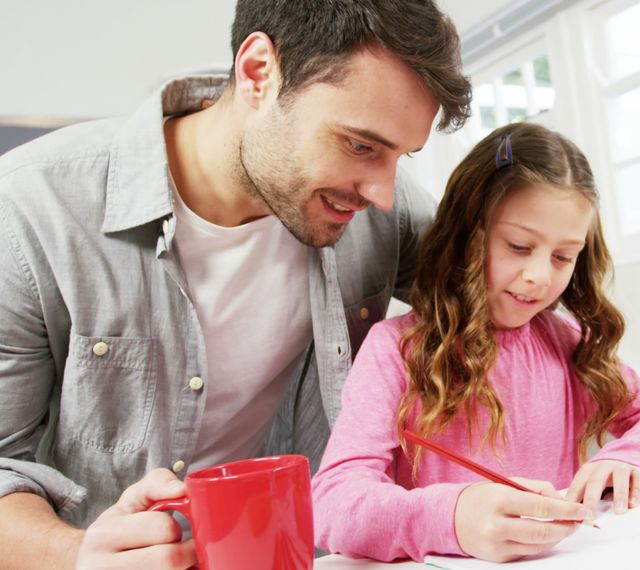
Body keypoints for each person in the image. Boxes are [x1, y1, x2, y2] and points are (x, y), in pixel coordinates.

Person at [0, 1, 470, 568]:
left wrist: (610, 453)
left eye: (401, 156)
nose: (383, 192)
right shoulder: (31, 213)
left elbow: (520, 306)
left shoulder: (381, 215)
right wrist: (76, 554)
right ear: (258, 73)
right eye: (361, 145)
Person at [311, 122, 640, 563]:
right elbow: (332, 503)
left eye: (562, 256)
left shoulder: (565, 341)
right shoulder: (396, 350)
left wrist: (633, 456)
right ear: (467, 236)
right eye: (518, 246)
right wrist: (452, 518)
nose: (539, 276)